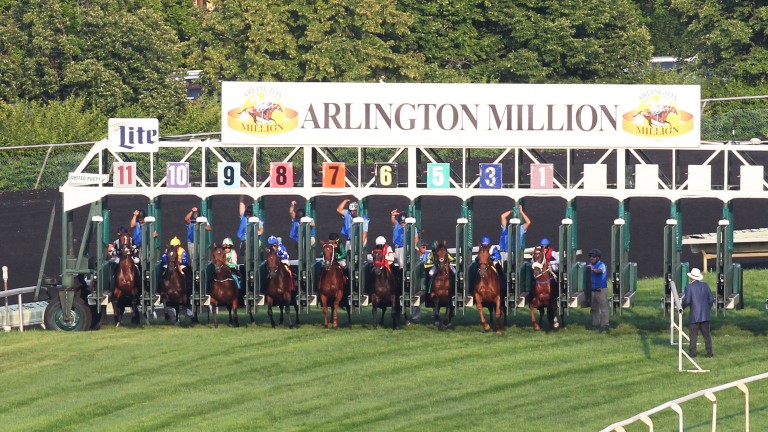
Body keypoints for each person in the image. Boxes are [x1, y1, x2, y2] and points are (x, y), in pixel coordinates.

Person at [682, 268, 715, 358]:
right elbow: (711, 299)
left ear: (691, 278)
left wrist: (681, 307)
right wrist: (707, 309)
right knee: (707, 336)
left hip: (694, 316)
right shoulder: (705, 286)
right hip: (705, 315)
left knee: (693, 336)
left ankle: (693, 353)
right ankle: (709, 353)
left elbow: (687, 301)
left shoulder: (689, 287)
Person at [587, 248, 609, 331]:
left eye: (593, 256)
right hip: (592, 290)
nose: (591, 258)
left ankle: (605, 325)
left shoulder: (602, 265)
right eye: (590, 256)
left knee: (603, 309)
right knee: (593, 309)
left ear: (598, 258)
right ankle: (595, 324)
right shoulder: (589, 265)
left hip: (601, 290)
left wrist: (591, 269)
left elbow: (599, 271)